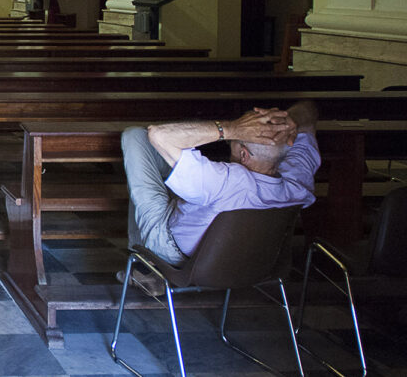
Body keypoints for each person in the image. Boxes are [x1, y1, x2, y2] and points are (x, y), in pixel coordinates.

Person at [120, 101, 319, 288]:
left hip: (180, 254)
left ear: (244, 154)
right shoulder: (297, 181)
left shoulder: (224, 180)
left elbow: (157, 134)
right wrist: (283, 122)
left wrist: (232, 128)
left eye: (234, 141)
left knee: (135, 138)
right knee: (167, 171)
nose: (229, 143)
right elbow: (310, 109)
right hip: (252, 263)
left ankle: (146, 269)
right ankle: (146, 269)